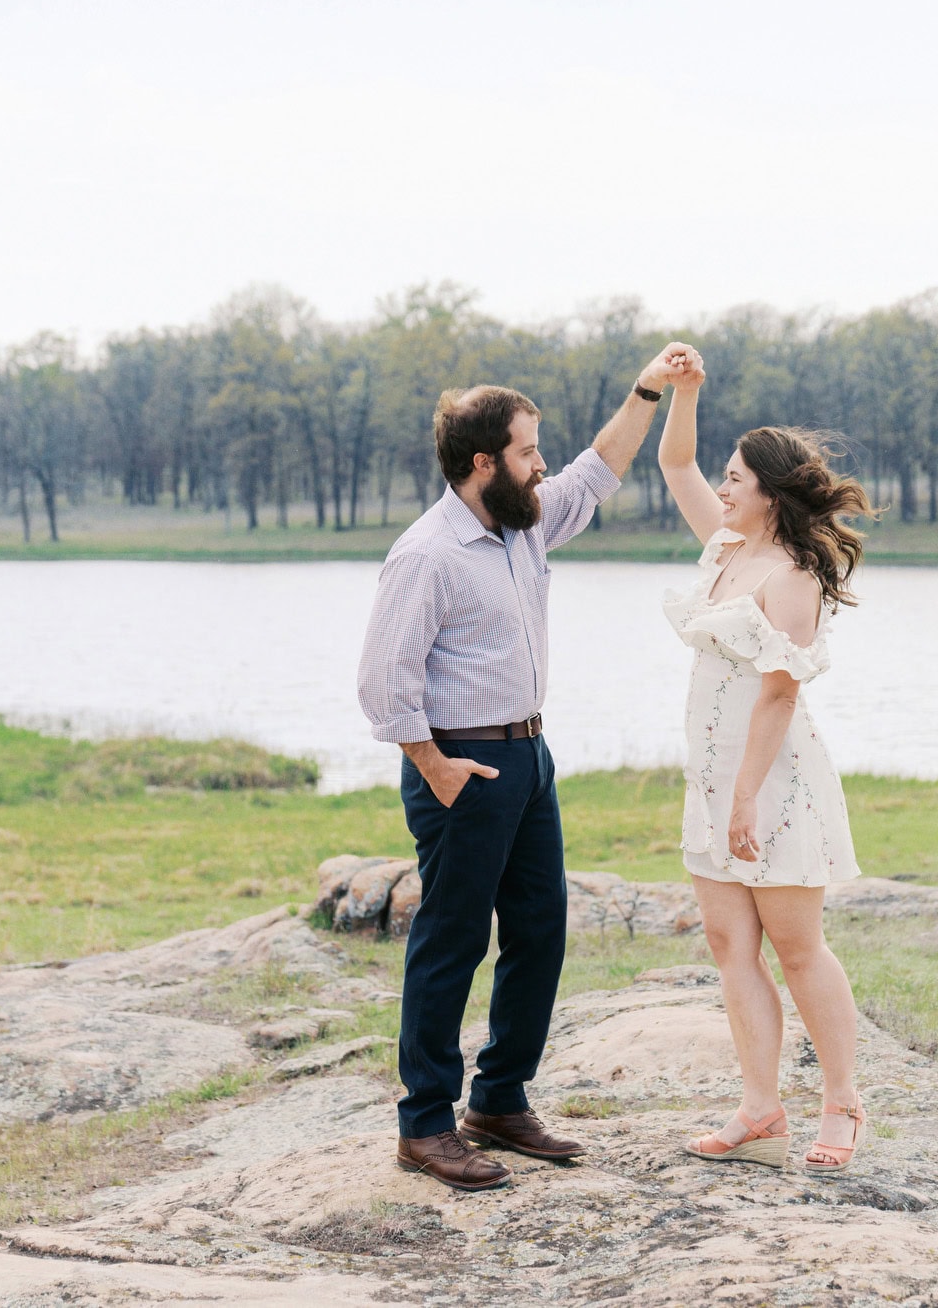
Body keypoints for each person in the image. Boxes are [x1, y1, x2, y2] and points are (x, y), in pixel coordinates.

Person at [357, 342, 698, 1192]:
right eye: (526, 450)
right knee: (453, 939)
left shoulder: (524, 523)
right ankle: (426, 1124)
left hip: (530, 755)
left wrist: (647, 389)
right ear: (483, 463)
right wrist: (433, 766)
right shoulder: (427, 553)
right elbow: (382, 681)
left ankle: (499, 1101)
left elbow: (599, 467)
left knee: (541, 930)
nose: (541, 464)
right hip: (463, 763)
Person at [655, 345, 877, 1175]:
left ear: (772, 493)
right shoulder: (722, 548)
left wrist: (745, 800)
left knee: (796, 946)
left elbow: (778, 699)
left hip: (772, 781)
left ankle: (843, 1101)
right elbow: (675, 458)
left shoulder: (790, 577)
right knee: (726, 941)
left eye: (736, 477)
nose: (722, 487)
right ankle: (760, 1108)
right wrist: (686, 390)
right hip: (713, 777)